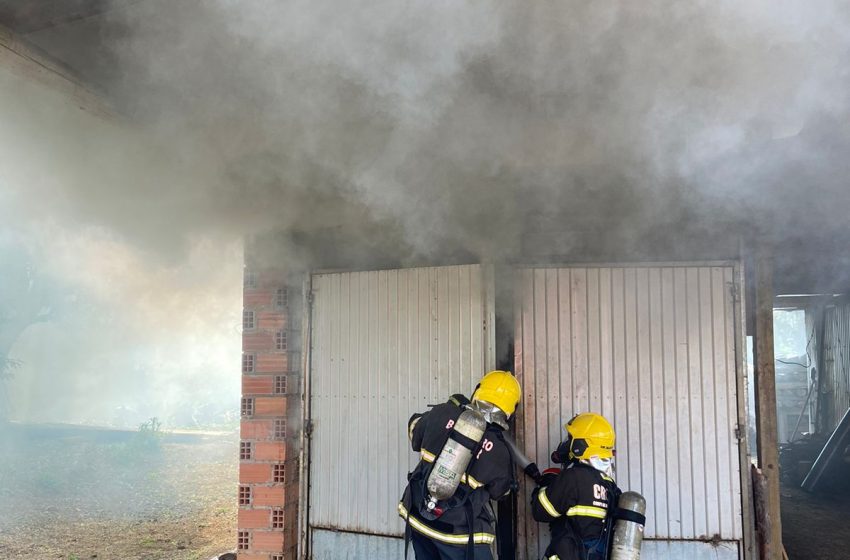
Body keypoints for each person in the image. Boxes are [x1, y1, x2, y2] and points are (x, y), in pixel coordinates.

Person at [398, 371, 523, 560]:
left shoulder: (442, 412)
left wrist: (449, 410)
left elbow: (414, 428)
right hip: (458, 535)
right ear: (510, 409)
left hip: (419, 517)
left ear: (477, 391)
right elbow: (500, 493)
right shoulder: (499, 451)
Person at [531, 413, 621, 560]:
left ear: (581, 444)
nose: (567, 443)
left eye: (571, 439)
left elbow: (540, 511)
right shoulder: (610, 486)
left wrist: (546, 484)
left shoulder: (573, 478)